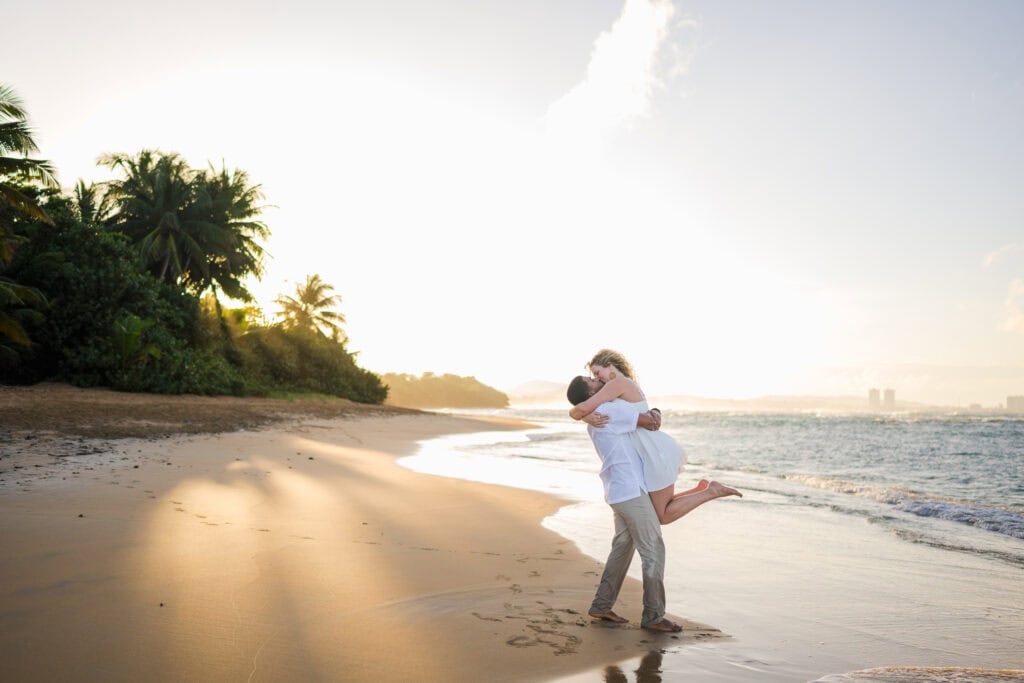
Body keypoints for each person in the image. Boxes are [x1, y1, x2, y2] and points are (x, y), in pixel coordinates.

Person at [569, 349, 741, 524]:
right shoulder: (620, 386)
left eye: (597, 373)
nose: (597, 378)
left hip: (652, 453)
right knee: (659, 509)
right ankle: (703, 490)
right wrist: (585, 416)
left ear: (610, 365)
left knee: (662, 516)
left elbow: (584, 407)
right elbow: (592, 407)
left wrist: (583, 415)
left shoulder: (617, 384)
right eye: (593, 377)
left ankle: (710, 492)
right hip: (650, 451)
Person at [567, 374, 682, 632]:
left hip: (618, 491)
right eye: (592, 381)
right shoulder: (608, 410)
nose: (598, 380)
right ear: (590, 394)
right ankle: (654, 616)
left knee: (622, 548)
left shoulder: (596, 417)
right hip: (630, 492)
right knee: (653, 549)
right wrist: (655, 411)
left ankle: (601, 605)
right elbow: (652, 423)